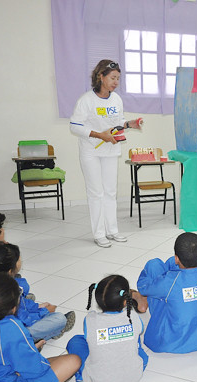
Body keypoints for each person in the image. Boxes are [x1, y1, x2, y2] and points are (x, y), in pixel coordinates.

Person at [69, 59, 143, 248]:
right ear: (100, 76)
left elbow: (118, 122)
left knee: (110, 192)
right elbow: (75, 126)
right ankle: (99, 233)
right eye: (112, 78)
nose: (115, 82)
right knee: (96, 193)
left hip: (111, 150)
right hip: (91, 151)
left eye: (118, 78)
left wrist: (129, 124)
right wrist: (98, 135)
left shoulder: (116, 99)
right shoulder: (86, 100)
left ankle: (112, 230)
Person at [0, 243, 75, 343]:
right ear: (10, 271)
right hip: (8, 334)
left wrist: (37, 306)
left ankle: (50, 331)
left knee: (28, 300)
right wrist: (44, 311)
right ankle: (46, 335)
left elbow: (21, 307)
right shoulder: (9, 291)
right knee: (59, 319)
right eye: (18, 259)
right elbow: (23, 320)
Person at [136, 232, 197, 353]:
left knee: (154, 264)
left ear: (177, 257)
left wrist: (155, 279)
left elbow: (143, 288)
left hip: (172, 341)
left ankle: (143, 299)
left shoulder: (170, 282)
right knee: (170, 269)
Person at [66, 275, 148, 382]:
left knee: (75, 341)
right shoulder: (133, 317)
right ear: (126, 301)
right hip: (134, 377)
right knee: (138, 347)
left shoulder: (90, 320)